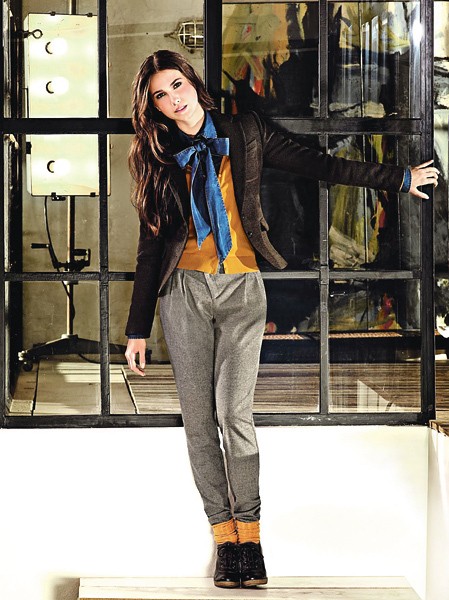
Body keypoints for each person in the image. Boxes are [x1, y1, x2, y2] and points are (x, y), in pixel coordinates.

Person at [124, 49, 438, 589]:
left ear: (193, 84)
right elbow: (150, 245)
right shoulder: (157, 155)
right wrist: (136, 329)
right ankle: (225, 541)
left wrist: (398, 178)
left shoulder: (245, 132)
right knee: (199, 422)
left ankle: (251, 535)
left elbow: (321, 165)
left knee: (234, 416)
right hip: (183, 293)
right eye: (161, 95)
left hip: (243, 289)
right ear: (154, 107)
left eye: (178, 85)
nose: (174, 99)